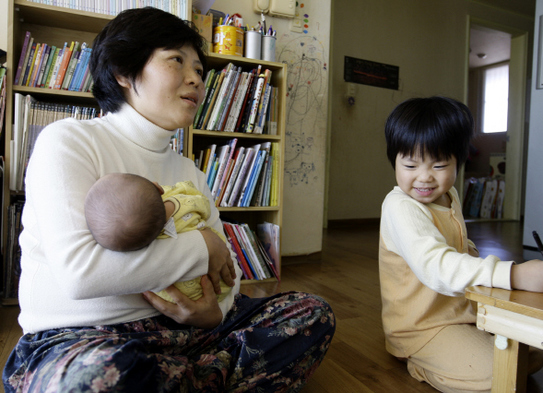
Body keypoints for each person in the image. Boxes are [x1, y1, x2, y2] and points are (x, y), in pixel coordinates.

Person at [3, 7, 335, 393]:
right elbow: (82, 273)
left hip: (188, 333)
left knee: (312, 313)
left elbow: (228, 274)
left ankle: (175, 378)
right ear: (123, 72)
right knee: (101, 377)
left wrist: (215, 314)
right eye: (176, 60)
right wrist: (201, 247)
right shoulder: (69, 141)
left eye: (199, 68)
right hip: (83, 339)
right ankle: (186, 378)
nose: (195, 77)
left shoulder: (190, 170)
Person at [379, 96, 543, 393]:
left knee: (531, 357)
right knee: (497, 376)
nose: (425, 177)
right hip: (422, 326)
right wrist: (515, 274)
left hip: (460, 313)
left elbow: (464, 248)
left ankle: (464, 349)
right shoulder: (400, 207)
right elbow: (438, 266)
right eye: (411, 164)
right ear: (395, 161)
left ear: (458, 161)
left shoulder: (449, 195)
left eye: (439, 164)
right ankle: (419, 362)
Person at [84, 173, 232, 303]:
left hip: (184, 299)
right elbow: (204, 205)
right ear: (159, 188)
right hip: (221, 279)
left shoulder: (142, 246)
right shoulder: (184, 202)